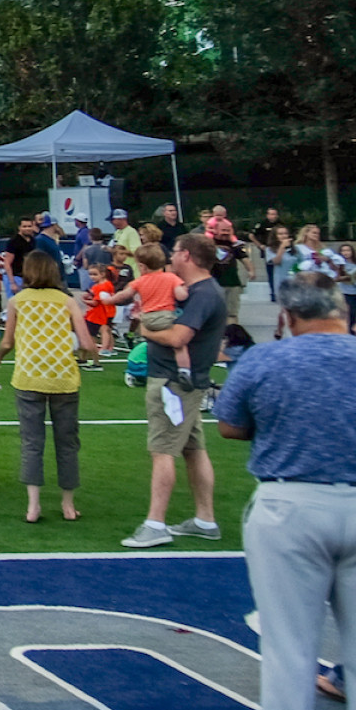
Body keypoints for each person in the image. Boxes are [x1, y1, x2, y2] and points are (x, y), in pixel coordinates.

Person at [218, 271, 356, 710]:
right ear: (342, 310)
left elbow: (230, 424)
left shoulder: (268, 360)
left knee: (290, 645)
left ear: (288, 316)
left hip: (291, 503)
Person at [125, 232, 227, 549]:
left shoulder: (203, 294)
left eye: (177, 251)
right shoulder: (200, 291)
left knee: (163, 450)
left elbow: (177, 338)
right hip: (186, 383)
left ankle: (155, 523)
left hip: (173, 384)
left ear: (187, 256)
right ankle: (204, 519)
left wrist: (144, 327)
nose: (171, 256)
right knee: (193, 449)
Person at [0, 248, 90, 524]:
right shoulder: (67, 301)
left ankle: (33, 506)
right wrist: (84, 355)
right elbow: (87, 343)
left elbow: (8, 342)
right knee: (67, 443)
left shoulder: (18, 300)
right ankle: (68, 504)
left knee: (32, 442)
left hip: (28, 377)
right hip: (64, 379)